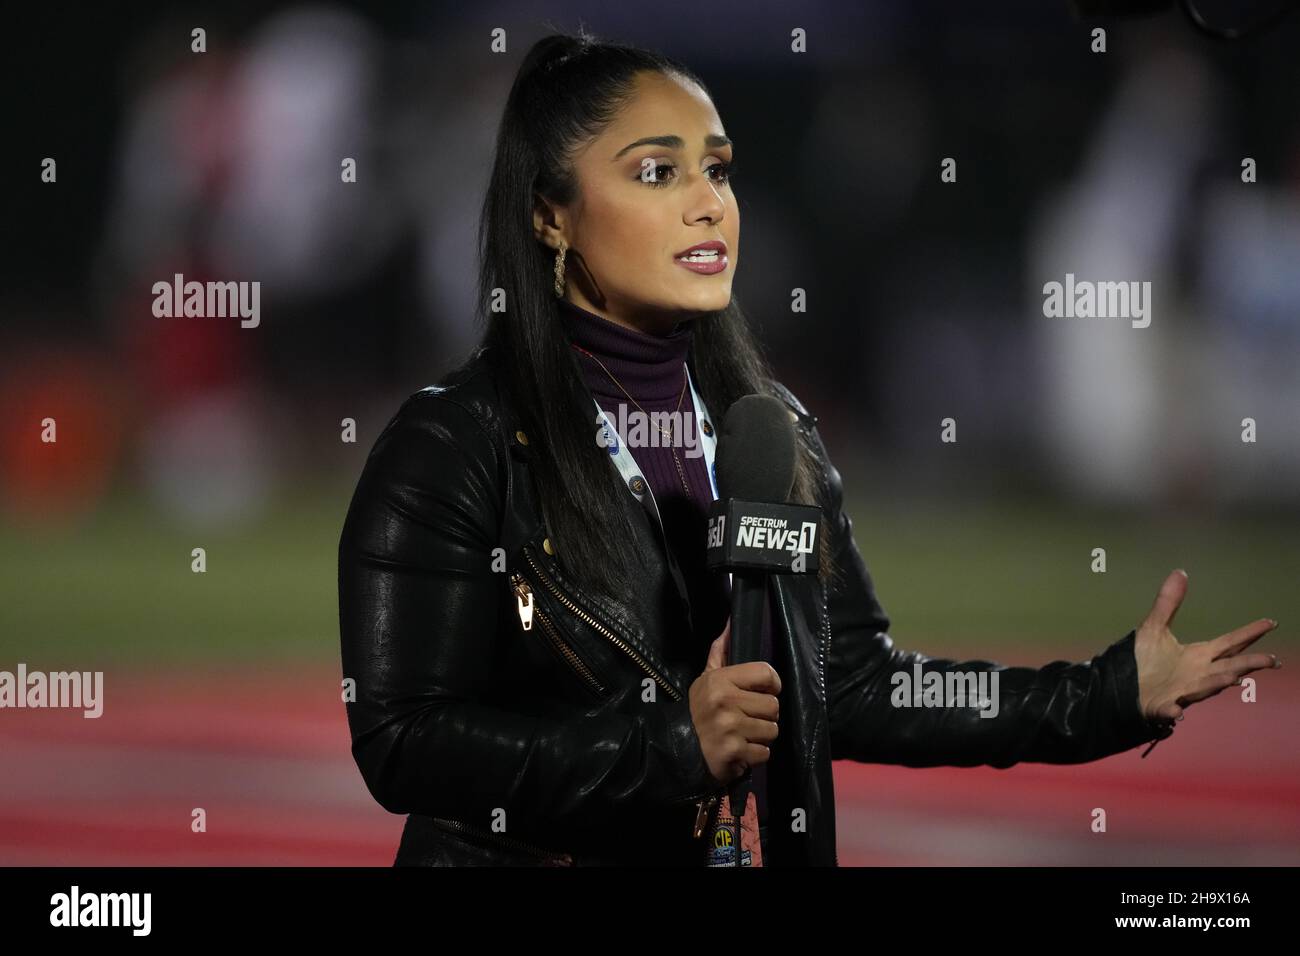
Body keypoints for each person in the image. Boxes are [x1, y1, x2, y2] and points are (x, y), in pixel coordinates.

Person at [336, 31, 1280, 867]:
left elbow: (859, 685)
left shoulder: (767, 431)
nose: (709, 203)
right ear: (549, 213)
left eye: (719, 168)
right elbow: (404, 741)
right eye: (657, 173)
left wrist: (1108, 695)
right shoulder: (452, 442)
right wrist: (671, 745)